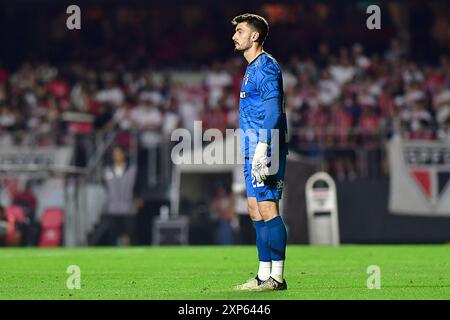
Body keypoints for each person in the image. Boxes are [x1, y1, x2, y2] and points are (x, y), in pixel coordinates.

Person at [231, 13, 289, 291]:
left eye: (240, 31)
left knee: (268, 207)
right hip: (252, 146)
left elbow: (273, 111)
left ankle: (277, 277)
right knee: (254, 208)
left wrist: (264, 147)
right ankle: (263, 275)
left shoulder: (266, 66)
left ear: (254, 36)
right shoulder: (251, 67)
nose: (234, 36)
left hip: (267, 146)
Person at [101, 145, 140, 246]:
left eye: (119, 153)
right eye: (115, 154)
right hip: (113, 208)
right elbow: (105, 186)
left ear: (124, 155)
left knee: (130, 233)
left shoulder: (132, 170)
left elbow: (137, 186)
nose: (117, 156)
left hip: (128, 207)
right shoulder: (107, 170)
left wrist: (138, 198)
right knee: (113, 235)